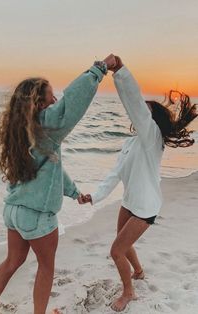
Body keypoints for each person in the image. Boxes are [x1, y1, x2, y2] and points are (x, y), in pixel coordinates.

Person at [0, 54, 117, 314]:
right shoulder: (47, 126)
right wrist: (100, 68)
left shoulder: (19, 132)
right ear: (39, 104)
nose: (56, 100)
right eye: (51, 96)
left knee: (12, 261)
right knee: (46, 267)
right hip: (37, 216)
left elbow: (50, 170)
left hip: (13, 212)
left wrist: (74, 193)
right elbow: (71, 104)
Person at [79, 55, 197, 312]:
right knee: (123, 243)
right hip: (130, 201)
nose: (139, 113)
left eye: (145, 111)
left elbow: (133, 103)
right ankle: (140, 272)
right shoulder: (131, 143)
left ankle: (129, 292)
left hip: (146, 207)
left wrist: (119, 70)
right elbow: (115, 174)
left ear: (151, 120)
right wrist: (95, 197)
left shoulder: (152, 138)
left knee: (116, 251)